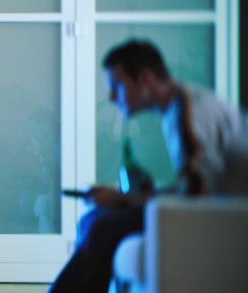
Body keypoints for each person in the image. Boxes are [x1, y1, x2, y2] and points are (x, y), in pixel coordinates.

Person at [48, 39, 248, 292]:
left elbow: (199, 195)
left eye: (117, 86)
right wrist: (124, 198)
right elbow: (194, 187)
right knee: (94, 219)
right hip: (219, 210)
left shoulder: (188, 111)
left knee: (102, 226)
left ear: (144, 79)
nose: (111, 97)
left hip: (227, 219)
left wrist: (124, 198)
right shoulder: (178, 108)